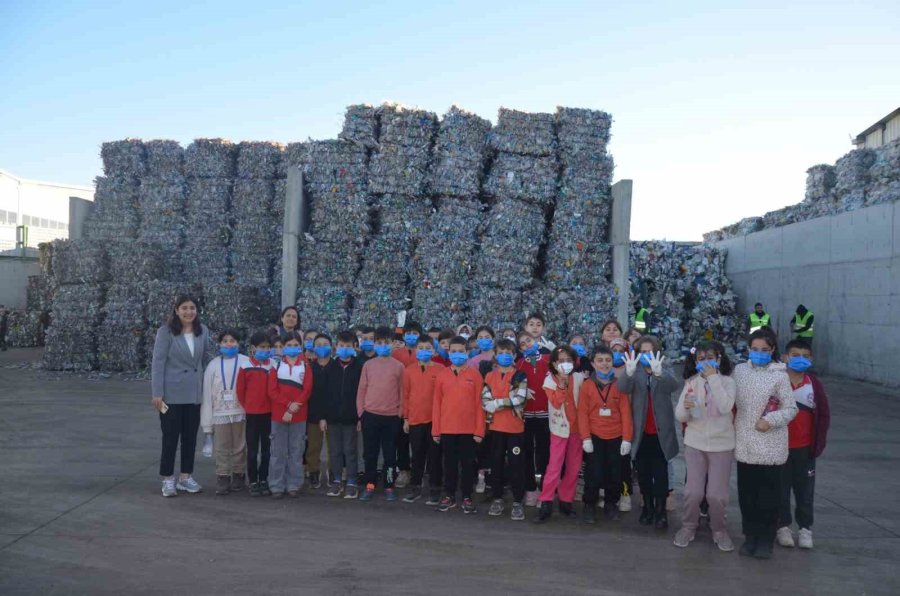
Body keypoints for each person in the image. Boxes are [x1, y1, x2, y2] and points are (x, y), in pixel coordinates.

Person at [733, 330, 798, 559]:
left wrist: (770, 421)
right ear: (748, 349)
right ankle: (750, 536)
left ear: (772, 351)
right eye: (754, 349)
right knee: (747, 495)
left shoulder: (780, 375)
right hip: (745, 444)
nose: (759, 354)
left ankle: (766, 540)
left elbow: (791, 408)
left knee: (769, 497)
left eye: (764, 350)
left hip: (770, 444)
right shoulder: (739, 371)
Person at [673, 341, 737, 551]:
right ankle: (688, 526)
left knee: (716, 495)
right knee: (693, 492)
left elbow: (726, 406)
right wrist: (686, 407)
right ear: (695, 361)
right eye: (701, 358)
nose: (706, 362)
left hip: (722, 445)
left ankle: (719, 529)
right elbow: (680, 416)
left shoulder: (728, 382)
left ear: (719, 359)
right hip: (695, 443)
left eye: (711, 357)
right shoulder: (691, 382)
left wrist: (712, 378)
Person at [151, 295, 213, 497]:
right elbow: (158, 364)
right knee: (170, 438)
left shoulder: (202, 332)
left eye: (192, 308)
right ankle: (168, 478)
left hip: (194, 393)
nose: (189, 312)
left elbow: (206, 360)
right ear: (176, 310)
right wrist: (157, 393)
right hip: (170, 395)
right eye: (184, 308)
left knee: (190, 438)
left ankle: (185, 477)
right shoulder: (166, 332)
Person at [618, 336, 678, 530]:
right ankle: (648, 508)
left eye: (650, 351)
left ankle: (661, 511)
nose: (646, 355)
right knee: (643, 473)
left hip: (661, 432)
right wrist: (627, 374)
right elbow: (622, 388)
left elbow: (673, 386)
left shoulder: (664, 368)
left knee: (660, 474)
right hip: (640, 432)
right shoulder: (635, 371)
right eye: (643, 352)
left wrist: (659, 374)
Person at [777, 339, 831, 550]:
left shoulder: (813, 384)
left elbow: (824, 415)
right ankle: (783, 526)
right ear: (784, 358)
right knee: (780, 489)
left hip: (805, 449)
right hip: (780, 448)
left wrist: (818, 444)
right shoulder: (777, 382)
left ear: (811, 359)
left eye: (805, 356)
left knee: (805, 491)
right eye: (795, 354)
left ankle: (805, 529)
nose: (800, 359)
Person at [579, 346, 633, 523]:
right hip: (595, 436)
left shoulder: (619, 385)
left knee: (615, 473)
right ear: (593, 364)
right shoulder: (587, 386)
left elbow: (626, 412)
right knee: (593, 473)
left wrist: (626, 438)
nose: (604, 364)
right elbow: (582, 414)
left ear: (612, 362)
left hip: (616, 436)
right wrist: (585, 438)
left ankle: (611, 503)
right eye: (600, 361)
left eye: (608, 360)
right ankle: (589, 504)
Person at [432, 336, 485, 514]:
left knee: (468, 465)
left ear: (467, 352)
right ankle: (449, 495)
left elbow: (480, 404)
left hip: (469, 430)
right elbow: (437, 404)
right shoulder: (442, 375)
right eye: (453, 351)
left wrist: (479, 430)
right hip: (447, 429)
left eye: (460, 351)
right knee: (449, 465)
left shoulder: (475, 375)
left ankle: (467, 496)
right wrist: (436, 430)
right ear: (448, 352)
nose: (457, 354)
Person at [536, 345, 585, 523]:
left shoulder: (579, 378)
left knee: (574, 467)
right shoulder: (549, 380)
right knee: (554, 466)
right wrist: (563, 384)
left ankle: (566, 500)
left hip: (577, 429)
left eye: (568, 360)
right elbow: (556, 403)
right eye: (561, 360)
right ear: (555, 364)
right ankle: (546, 501)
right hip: (559, 429)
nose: (565, 364)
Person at [357, 326, 405, 502]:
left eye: (387, 343)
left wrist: (399, 413)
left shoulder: (399, 366)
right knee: (370, 453)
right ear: (374, 344)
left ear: (393, 344)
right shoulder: (368, 365)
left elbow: (402, 392)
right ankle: (370, 485)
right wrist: (361, 413)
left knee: (390, 454)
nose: (383, 345)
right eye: (379, 343)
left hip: (391, 417)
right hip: (370, 416)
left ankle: (389, 485)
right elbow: (361, 391)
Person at [482, 339, 529, 521]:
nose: (504, 356)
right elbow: (485, 401)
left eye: (508, 353)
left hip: (515, 428)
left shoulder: (520, 376)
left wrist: (499, 402)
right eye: (501, 352)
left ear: (514, 355)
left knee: (516, 465)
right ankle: (497, 498)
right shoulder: (489, 376)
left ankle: (518, 501)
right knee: (496, 464)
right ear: (495, 355)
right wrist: (502, 402)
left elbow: (520, 399)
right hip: (495, 428)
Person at [201, 329, 250, 495]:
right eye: (225, 341)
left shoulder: (246, 362)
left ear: (239, 343)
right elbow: (207, 396)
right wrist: (207, 426)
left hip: (241, 412)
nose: (229, 344)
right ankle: (223, 475)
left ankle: (239, 474)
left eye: (233, 341)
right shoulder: (213, 365)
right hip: (219, 414)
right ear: (220, 344)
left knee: (240, 446)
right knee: (222, 447)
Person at [267, 331, 314, 498]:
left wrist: (294, 408)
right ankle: (276, 485)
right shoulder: (276, 366)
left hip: (299, 416)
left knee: (296, 451)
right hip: (279, 416)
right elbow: (272, 391)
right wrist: (287, 406)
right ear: (283, 347)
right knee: (277, 452)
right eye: (289, 345)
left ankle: (294, 484)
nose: (292, 348)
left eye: (296, 345)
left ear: (300, 347)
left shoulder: (306, 365)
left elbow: (307, 390)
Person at [321, 331, 364, 499]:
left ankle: (352, 482)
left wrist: (361, 417)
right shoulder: (330, 368)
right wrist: (323, 417)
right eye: (341, 346)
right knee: (335, 451)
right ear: (335, 348)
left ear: (355, 347)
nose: (344, 349)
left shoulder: (360, 368)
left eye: (348, 346)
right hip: (332, 418)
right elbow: (324, 394)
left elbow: (362, 394)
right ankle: (337, 481)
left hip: (351, 419)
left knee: (350, 450)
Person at [401, 336, 443, 505]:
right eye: (420, 347)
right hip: (415, 419)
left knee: (435, 457)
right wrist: (406, 418)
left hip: (435, 420)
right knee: (417, 455)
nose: (424, 351)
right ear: (416, 350)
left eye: (428, 348)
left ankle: (435, 488)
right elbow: (406, 395)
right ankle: (415, 486)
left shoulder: (441, 370)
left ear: (434, 351)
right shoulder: (409, 370)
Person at [237, 331, 276, 497]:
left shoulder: (273, 365)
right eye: (262, 347)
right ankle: (253, 480)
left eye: (268, 347)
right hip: (252, 414)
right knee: (252, 450)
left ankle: (264, 479)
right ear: (253, 348)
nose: (265, 350)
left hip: (269, 414)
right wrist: (248, 406)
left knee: (267, 450)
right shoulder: (245, 366)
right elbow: (240, 390)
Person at [516, 331, 551, 507]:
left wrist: (556, 352)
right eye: (522, 343)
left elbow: (568, 367)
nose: (527, 345)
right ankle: (530, 488)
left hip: (546, 414)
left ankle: (546, 489)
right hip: (527, 414)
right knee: (527, 452)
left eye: (528, 340)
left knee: (545, 453)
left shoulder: (548, 358)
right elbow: (513, 385)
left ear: (536, 340)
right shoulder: (519, 363)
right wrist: (521, 391)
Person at [609, 337, 634, 513]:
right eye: (614, 350)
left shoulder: (630, 369)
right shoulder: (604, 368)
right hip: (607, 423)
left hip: (626, 421)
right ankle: (608, 493)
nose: (617, 353)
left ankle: (625, 493)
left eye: (620, 350)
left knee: (623, 461)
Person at [307, 333, 334, 489]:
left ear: (331, 347)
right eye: (318, 344)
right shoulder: (310, 368)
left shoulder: (336, 366)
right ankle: (314, 472)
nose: (322, 347)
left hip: (333, 414)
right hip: (314, 414)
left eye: (325, 344)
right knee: (313, 446)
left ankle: (332, 472)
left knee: (333, 447)